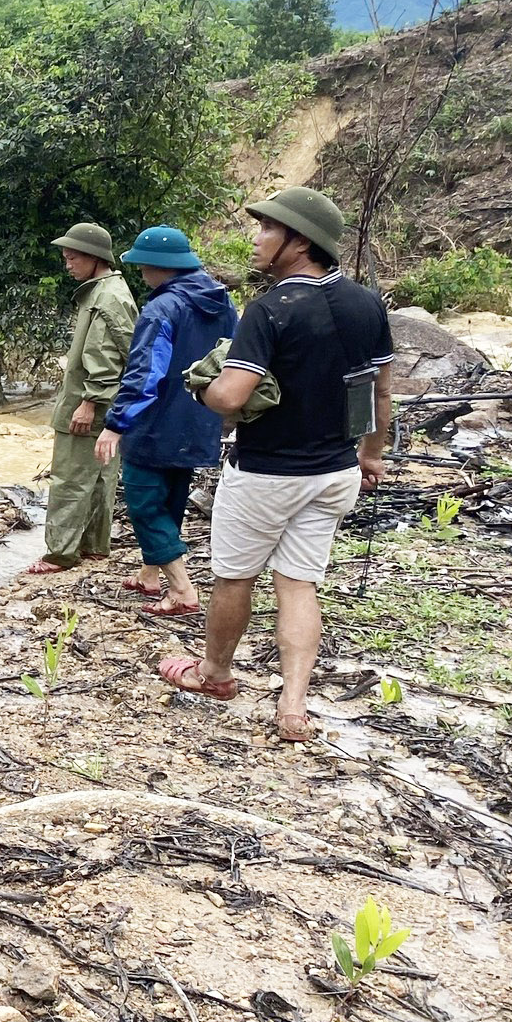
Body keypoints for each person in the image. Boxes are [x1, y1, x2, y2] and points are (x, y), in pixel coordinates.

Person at [168, 187, 394, 743]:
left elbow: (230, 395)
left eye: (266, 229)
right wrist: (371, 454)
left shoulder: (271, 309)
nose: (256, 239)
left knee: (233, 577)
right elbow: (380, 392)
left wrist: (201, 389)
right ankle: (293, 706)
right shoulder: (367, 304)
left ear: (298, 241)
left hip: (267, 474)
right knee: (298, 583)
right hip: (336, 472)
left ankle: (215, 673)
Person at [93, 227, 238, 616]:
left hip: (155, 423)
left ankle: (181, 590)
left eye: (142, 264)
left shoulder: (162, 309)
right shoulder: (223, 303)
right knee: (172, 494)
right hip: (201, 417)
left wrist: (116, 423)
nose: (139, 270)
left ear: (160, 267)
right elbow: (233, 358)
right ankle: (149, 575)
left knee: (143, 502)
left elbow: (145, 374)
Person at [25, 224, 138, 575]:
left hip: (88, 404)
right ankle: (93, 547)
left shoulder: (106, 298)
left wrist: (89, 402)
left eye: (72, 258)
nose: (67, 264)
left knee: (71, 478)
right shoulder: (110, 291)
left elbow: (104, 356)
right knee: (100, 475)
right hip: (105, 404)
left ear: (93, 258)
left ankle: (59, 554)